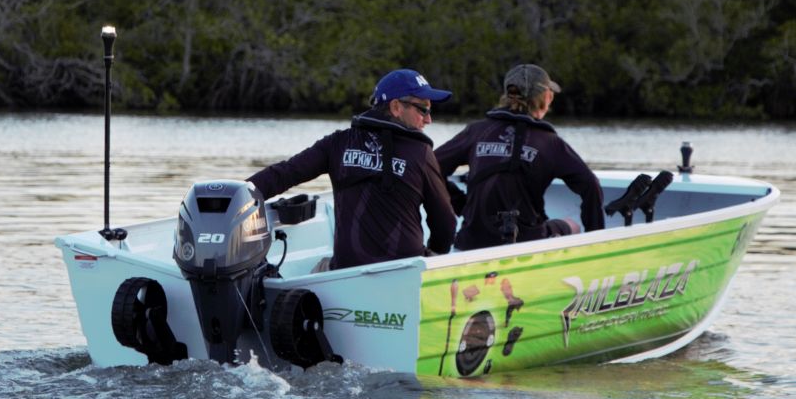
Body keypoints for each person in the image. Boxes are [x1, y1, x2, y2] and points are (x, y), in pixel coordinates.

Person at [248, 69, 458, 270]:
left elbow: (284, 174)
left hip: (345, 271)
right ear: (396, 107)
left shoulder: (338, 143)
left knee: (314, 271)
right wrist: (435, 255)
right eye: (423, 109)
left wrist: (239, 194)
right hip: (405, 273)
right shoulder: (421, 153)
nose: (429, 119)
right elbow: (446, 224)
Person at [434, 64, 604, 250]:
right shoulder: (550, 143)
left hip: (471, 243)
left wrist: (462, 205)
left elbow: (431, 168)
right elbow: (591, 186)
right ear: (546, 98)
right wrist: (596, 238)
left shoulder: (477, 132)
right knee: (572, 225)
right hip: (527, 242)